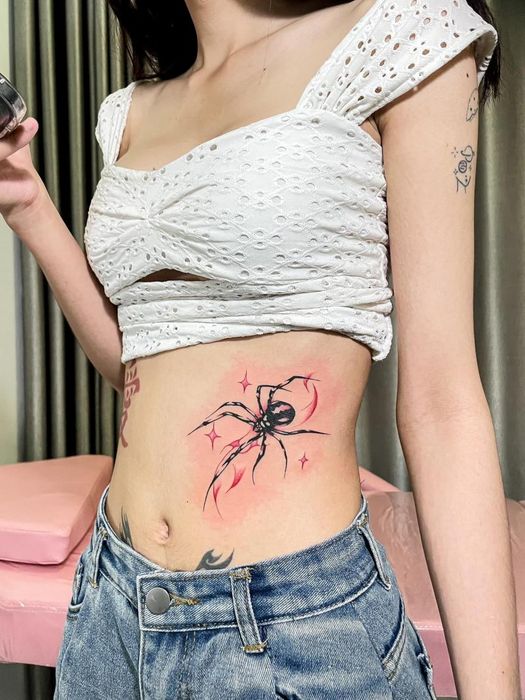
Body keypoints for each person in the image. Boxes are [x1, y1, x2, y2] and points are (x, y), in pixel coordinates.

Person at [1, 0, 520, 697]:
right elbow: (139, 365)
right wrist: (28, 205)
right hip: (110, 604)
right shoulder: (132, 110)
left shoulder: (402, 31)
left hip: (289, 626)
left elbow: (441, 404)